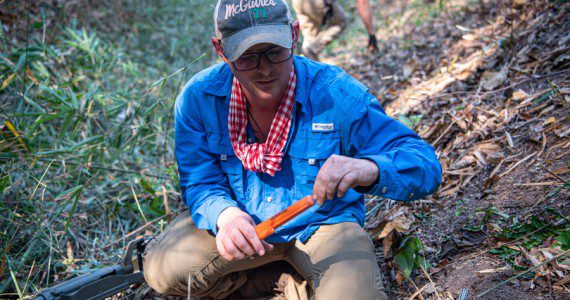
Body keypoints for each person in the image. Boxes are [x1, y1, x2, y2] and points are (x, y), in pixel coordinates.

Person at [142, 0, 441, 299]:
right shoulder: (199, 99)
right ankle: (277, 282)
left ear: (294, 34)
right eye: (247, 57)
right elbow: (200, 182)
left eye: (275, 51)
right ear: (221, 50)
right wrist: (226, 216)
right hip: (246, 228)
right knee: (161, 270)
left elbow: (425, 164)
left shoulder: (336, 94)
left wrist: (368, 168)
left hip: (323, 227)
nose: (265, 70)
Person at [292, 0, 379, 61]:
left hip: (298, 3)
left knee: (311, 38)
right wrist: (371, 34)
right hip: (317, 2)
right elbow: (362, 3)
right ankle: (310, 49)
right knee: (341, 23)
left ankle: (309, 77)